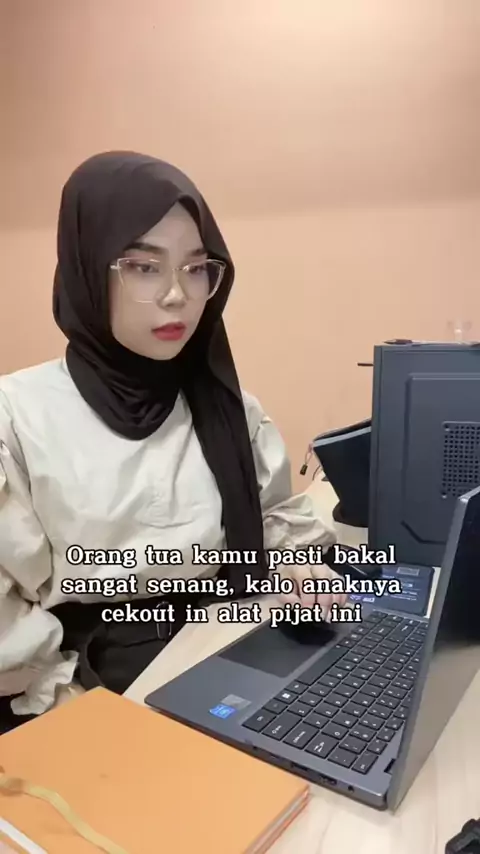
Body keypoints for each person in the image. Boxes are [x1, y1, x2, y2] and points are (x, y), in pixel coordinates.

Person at [0, 151, 346, 732]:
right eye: (143, 266)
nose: (177, 295)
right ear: (87, 269)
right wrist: (71, 710)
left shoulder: (227, 408)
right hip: (87, 679)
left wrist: (302, 567)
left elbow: (273, 522)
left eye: (196, 267)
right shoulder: (16, 416)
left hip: (227, 640)